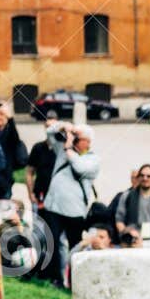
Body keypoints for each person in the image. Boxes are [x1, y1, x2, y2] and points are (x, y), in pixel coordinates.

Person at [41, 122, 100, 286]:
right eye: (73, 137)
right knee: (51, 242)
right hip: (54, 207)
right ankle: (54, 278)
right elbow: (50, 133)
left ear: (87, 142)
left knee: (75, 246)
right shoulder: (63, 151)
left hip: (75, 212)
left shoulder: (93, 159)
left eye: (77, 138)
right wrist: (64, 127)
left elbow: (80, 167)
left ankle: (76, 280)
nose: (73, 140)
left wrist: (68, 149)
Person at [0, 101, 25, 196]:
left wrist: (11, 118)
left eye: (1, 114)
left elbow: (15, 138)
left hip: (4, 182)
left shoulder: (10, 134)